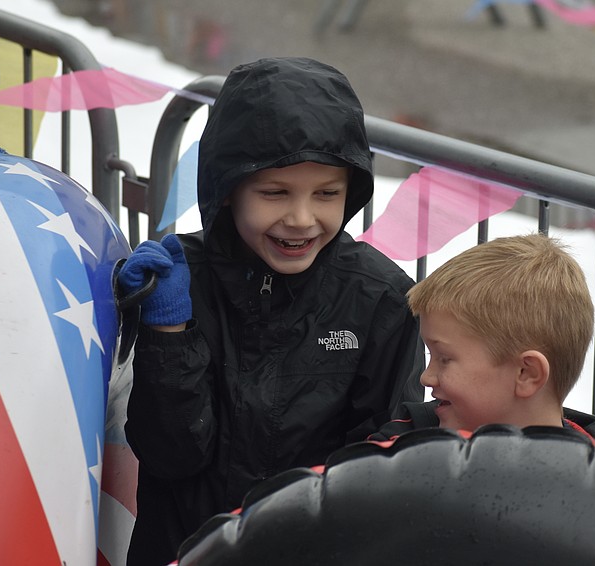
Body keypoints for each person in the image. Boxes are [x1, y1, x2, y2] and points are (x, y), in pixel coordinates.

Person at [118, 57, 426, 565]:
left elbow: (379, 475)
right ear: (226, 191)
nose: (302, 218)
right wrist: (168, 328)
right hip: (183, 551)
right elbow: (169, 455)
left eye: (326, 193)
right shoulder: (179, 283)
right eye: (274, 192)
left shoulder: (379, 299)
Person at [369, 234, 595, 443]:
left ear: (526, 372)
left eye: (444, 359)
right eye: (430, 356)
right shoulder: (399, 450)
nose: (426, 377)